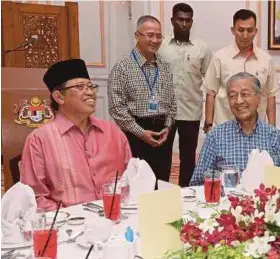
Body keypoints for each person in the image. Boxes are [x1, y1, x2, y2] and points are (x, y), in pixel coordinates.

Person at [20, 59, 132, 211]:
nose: (90, 92)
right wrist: (73, 216)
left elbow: (131, 177)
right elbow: (35, 198)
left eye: (91, 86)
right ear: (59, 97)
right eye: (80, 87)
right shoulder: (40, 140)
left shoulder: (113, 132)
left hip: (116, 218)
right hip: (68, 225)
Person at [190, 72, 280, 186]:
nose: (239, 101)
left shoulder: (274, 137)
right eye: (232, 96)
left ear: (259, 98)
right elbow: (197, 183)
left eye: (245, 94)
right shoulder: (215, 137)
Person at [108, 15, 176, 183]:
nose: (155, 40)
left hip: (163, 133)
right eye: (150, 35)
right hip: (135, 133)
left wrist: (168, 126)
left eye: (159, 36)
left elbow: (172, 102)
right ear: (137, 35)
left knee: (162, 182)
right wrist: (141, 133)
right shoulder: (123, 66)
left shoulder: (165, 66)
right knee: (138, 183)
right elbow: (116, 107)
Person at [158, 3, 212, 187]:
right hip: (164, 112)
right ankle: (161, 195)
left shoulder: (202, 49)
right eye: (180, 19)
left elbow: (210, 82)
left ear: (192, 22)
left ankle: (186, 195)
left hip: (191, 111)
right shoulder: (161, 46)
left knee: (188, 158)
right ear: (172, 20)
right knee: (162, 156)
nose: (183, 24)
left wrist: (209, 116)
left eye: (187, 20)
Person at [202, 9, 279, 133]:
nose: (245, 35)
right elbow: (211, 93)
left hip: (257, 131)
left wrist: (272, 130)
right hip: (224, 129)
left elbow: (270, 96)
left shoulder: (266, 59)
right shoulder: (220, 58)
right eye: (240, 30)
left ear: (256, 31)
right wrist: (209, 125)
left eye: (249, 30)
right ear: (233, 30)